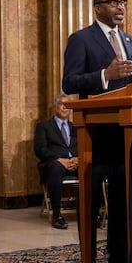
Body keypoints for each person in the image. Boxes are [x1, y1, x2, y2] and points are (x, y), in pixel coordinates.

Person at [62, 0, 132, 263]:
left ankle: (120, 254)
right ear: (97, 8)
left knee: (124, 196)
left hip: (127, 131)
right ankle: (88, 260)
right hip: (95, 132)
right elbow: (70, 82)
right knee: (90, 198)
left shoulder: (130, 40)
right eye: (113, 2)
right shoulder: (81, 39)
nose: (120, 7)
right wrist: (105, 75)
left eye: (122, 2)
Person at [34, 94, 78, 230]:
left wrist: (79, 159)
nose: (65, 107)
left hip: (75, 163)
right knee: (55, 167)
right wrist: (59, 159)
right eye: (61, 104)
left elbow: (84, 146)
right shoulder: (44, 126)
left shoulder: (76, 127)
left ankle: (93, 212)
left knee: (93, 167)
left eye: (68, 105)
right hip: (54, 163)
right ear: (55, 107)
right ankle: (57, 214)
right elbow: (40, 149)